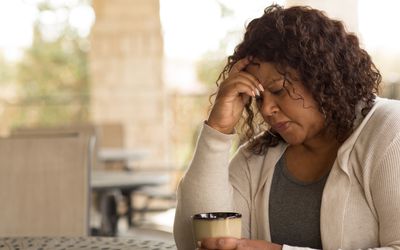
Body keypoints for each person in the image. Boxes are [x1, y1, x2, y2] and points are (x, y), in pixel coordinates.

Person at [173, 4, 400, 250]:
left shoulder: (389, 132)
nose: (267, 109)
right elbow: (193, 242)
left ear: (320, 77)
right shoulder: (256, 158)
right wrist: (217, 130)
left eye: (279, 90)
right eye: (258, 97)